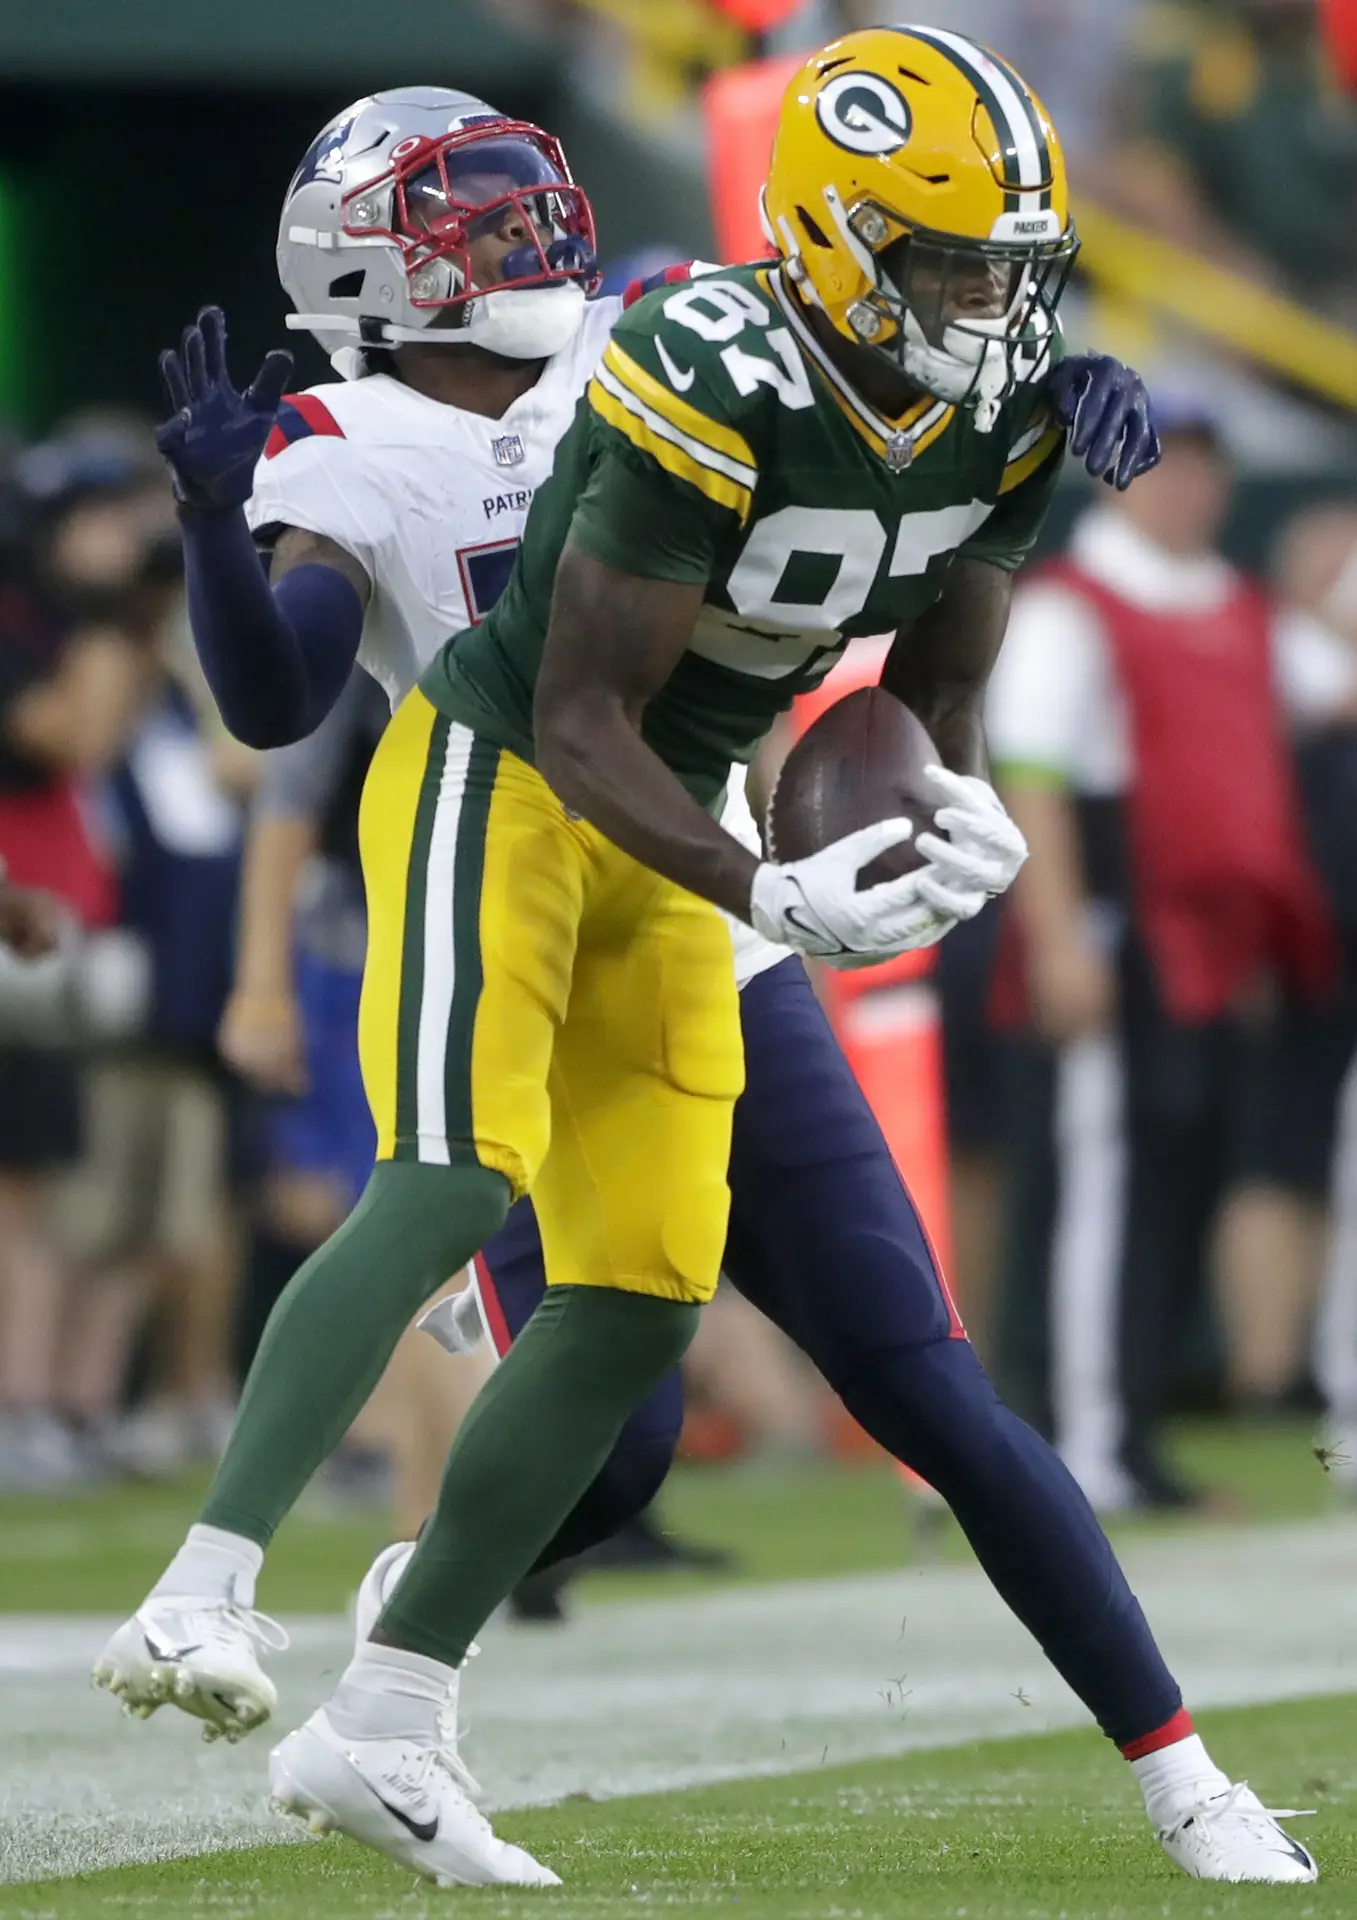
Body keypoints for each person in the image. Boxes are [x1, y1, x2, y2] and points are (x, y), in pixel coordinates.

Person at [94, 41, 1312, 1891]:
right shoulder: (356, 444)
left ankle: (401, 1696)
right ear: (366, 262)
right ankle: (225, 1584)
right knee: (510, 1262)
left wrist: (1043, 395)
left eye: (522, 195)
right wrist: (206, 524)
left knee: (791, 1371)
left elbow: (830, 354)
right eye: (470, 216)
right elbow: (285, 698)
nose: (526, 229)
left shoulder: (634, 343)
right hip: (509, 835)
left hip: (691, 880)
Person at [987, 400, 1334, 1509]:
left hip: (1222, 947)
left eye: (1201, 469)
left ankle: (1130, 1430)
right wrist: (1057, 935)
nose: (1185, 488)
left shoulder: (1239, 609)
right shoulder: (1070, 610)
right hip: (1119, 924)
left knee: (1182, 1179)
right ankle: (1086, 1436)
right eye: (1162, 467)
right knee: (1103, 1178)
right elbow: (1032, 777)